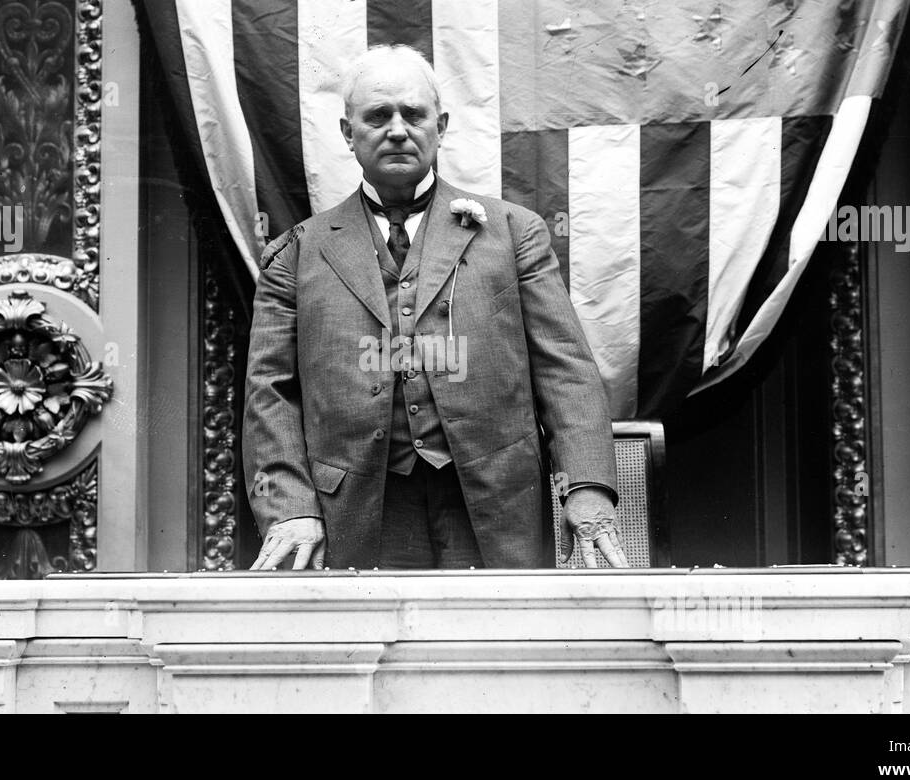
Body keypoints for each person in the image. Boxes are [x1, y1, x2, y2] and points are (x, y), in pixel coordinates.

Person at [242, 45, 624, 571]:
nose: (397, 130)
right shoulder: (297, 253)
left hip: (495, 504)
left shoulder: (514, 234)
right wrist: (288, 508)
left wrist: (585, 486)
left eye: (413, 115)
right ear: (347, 134)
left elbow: (566, 370)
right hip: (352, 512)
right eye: (377, 116)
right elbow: (271, 393)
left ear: (440, 126)